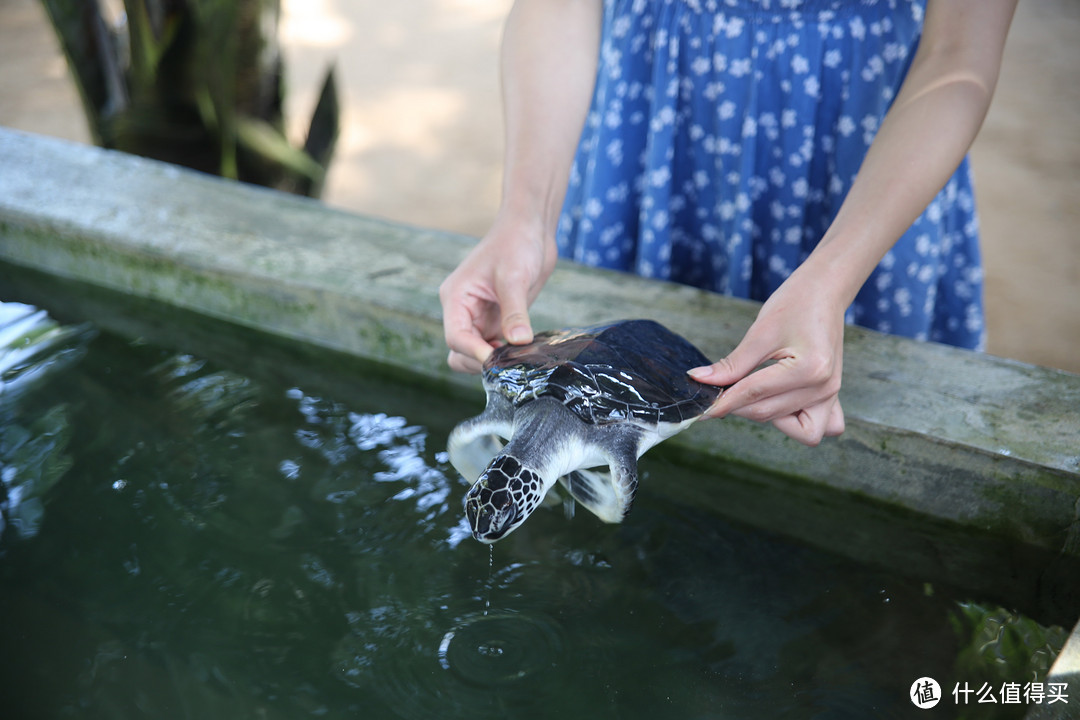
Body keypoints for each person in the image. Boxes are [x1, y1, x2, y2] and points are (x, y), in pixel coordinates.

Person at [439, 0, 1017, 447]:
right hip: (660, 121)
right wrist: (526, 217)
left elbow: (958, 58)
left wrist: (832, 279)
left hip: (866, 156)